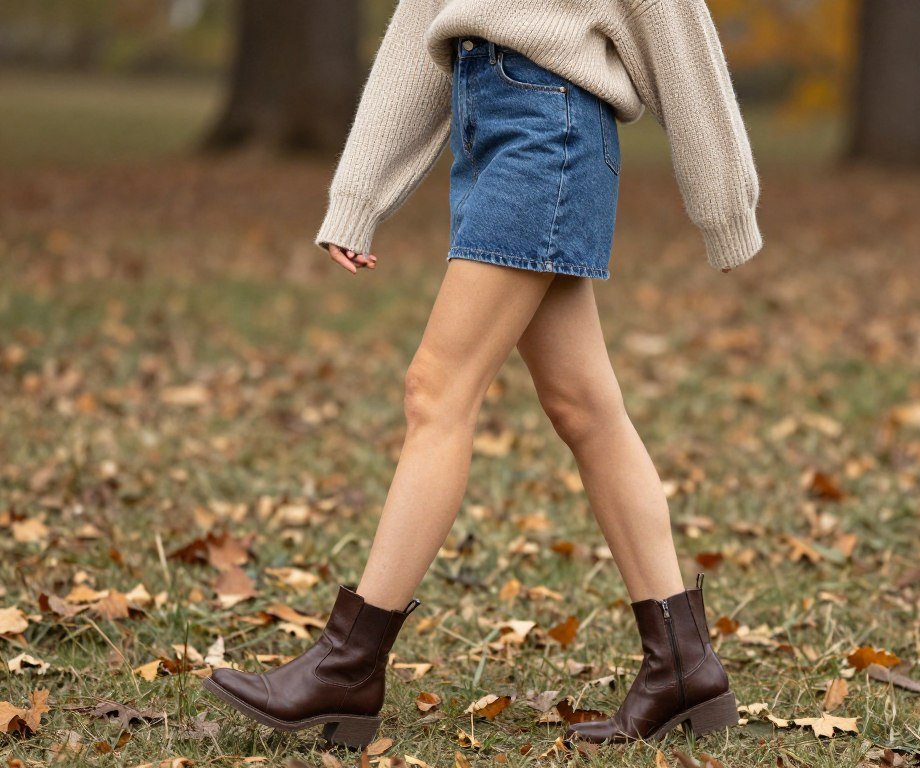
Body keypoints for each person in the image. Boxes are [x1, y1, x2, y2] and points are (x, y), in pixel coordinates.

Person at [202, 0, 762, 750]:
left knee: (435, 390)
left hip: (549, 130)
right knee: (583, 407)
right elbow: (416, 31)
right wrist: (357, 195)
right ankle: (684, 666)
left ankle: (349, 663)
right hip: (490, 123)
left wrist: (725, 206)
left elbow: (676, 28)